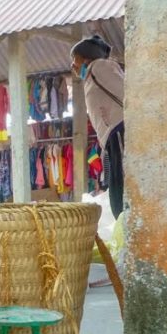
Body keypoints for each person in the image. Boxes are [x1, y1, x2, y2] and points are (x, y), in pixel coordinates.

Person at [71, 35, 125, 218]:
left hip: (120, 132)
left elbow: (124, 93)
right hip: (113, 138)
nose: (73, 65)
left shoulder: (101, 67)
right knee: (117, 192)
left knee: (123, 192)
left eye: (75, 59)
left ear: (86, 58)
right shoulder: (92, 75)